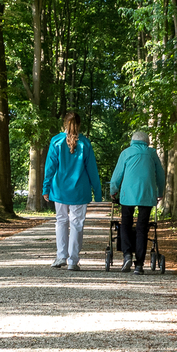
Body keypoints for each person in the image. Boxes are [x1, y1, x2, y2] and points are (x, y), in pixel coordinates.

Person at [42, 110, 102, 269]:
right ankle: (73, 261)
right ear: (79, 124)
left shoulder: (56, 141)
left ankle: (61, 256)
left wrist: (45, 188)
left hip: (60, 189)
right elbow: (92, 170)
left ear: (64, 124)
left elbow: (50, 168)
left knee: (61, 221)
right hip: (80, 191)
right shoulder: (85, 143)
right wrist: (98, 192)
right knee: (77, 224)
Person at [109, 129, 164, 274]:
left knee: (126, 223)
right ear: (147, 142)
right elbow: (160, 176)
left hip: (128, 195)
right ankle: (139, 264)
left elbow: (117, 175)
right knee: (142, 227)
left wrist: (113, 191)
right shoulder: (152, 153)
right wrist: (160, 192)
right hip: (147, 194)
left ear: (132, 141)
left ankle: (127, 254)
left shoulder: (126, 153)